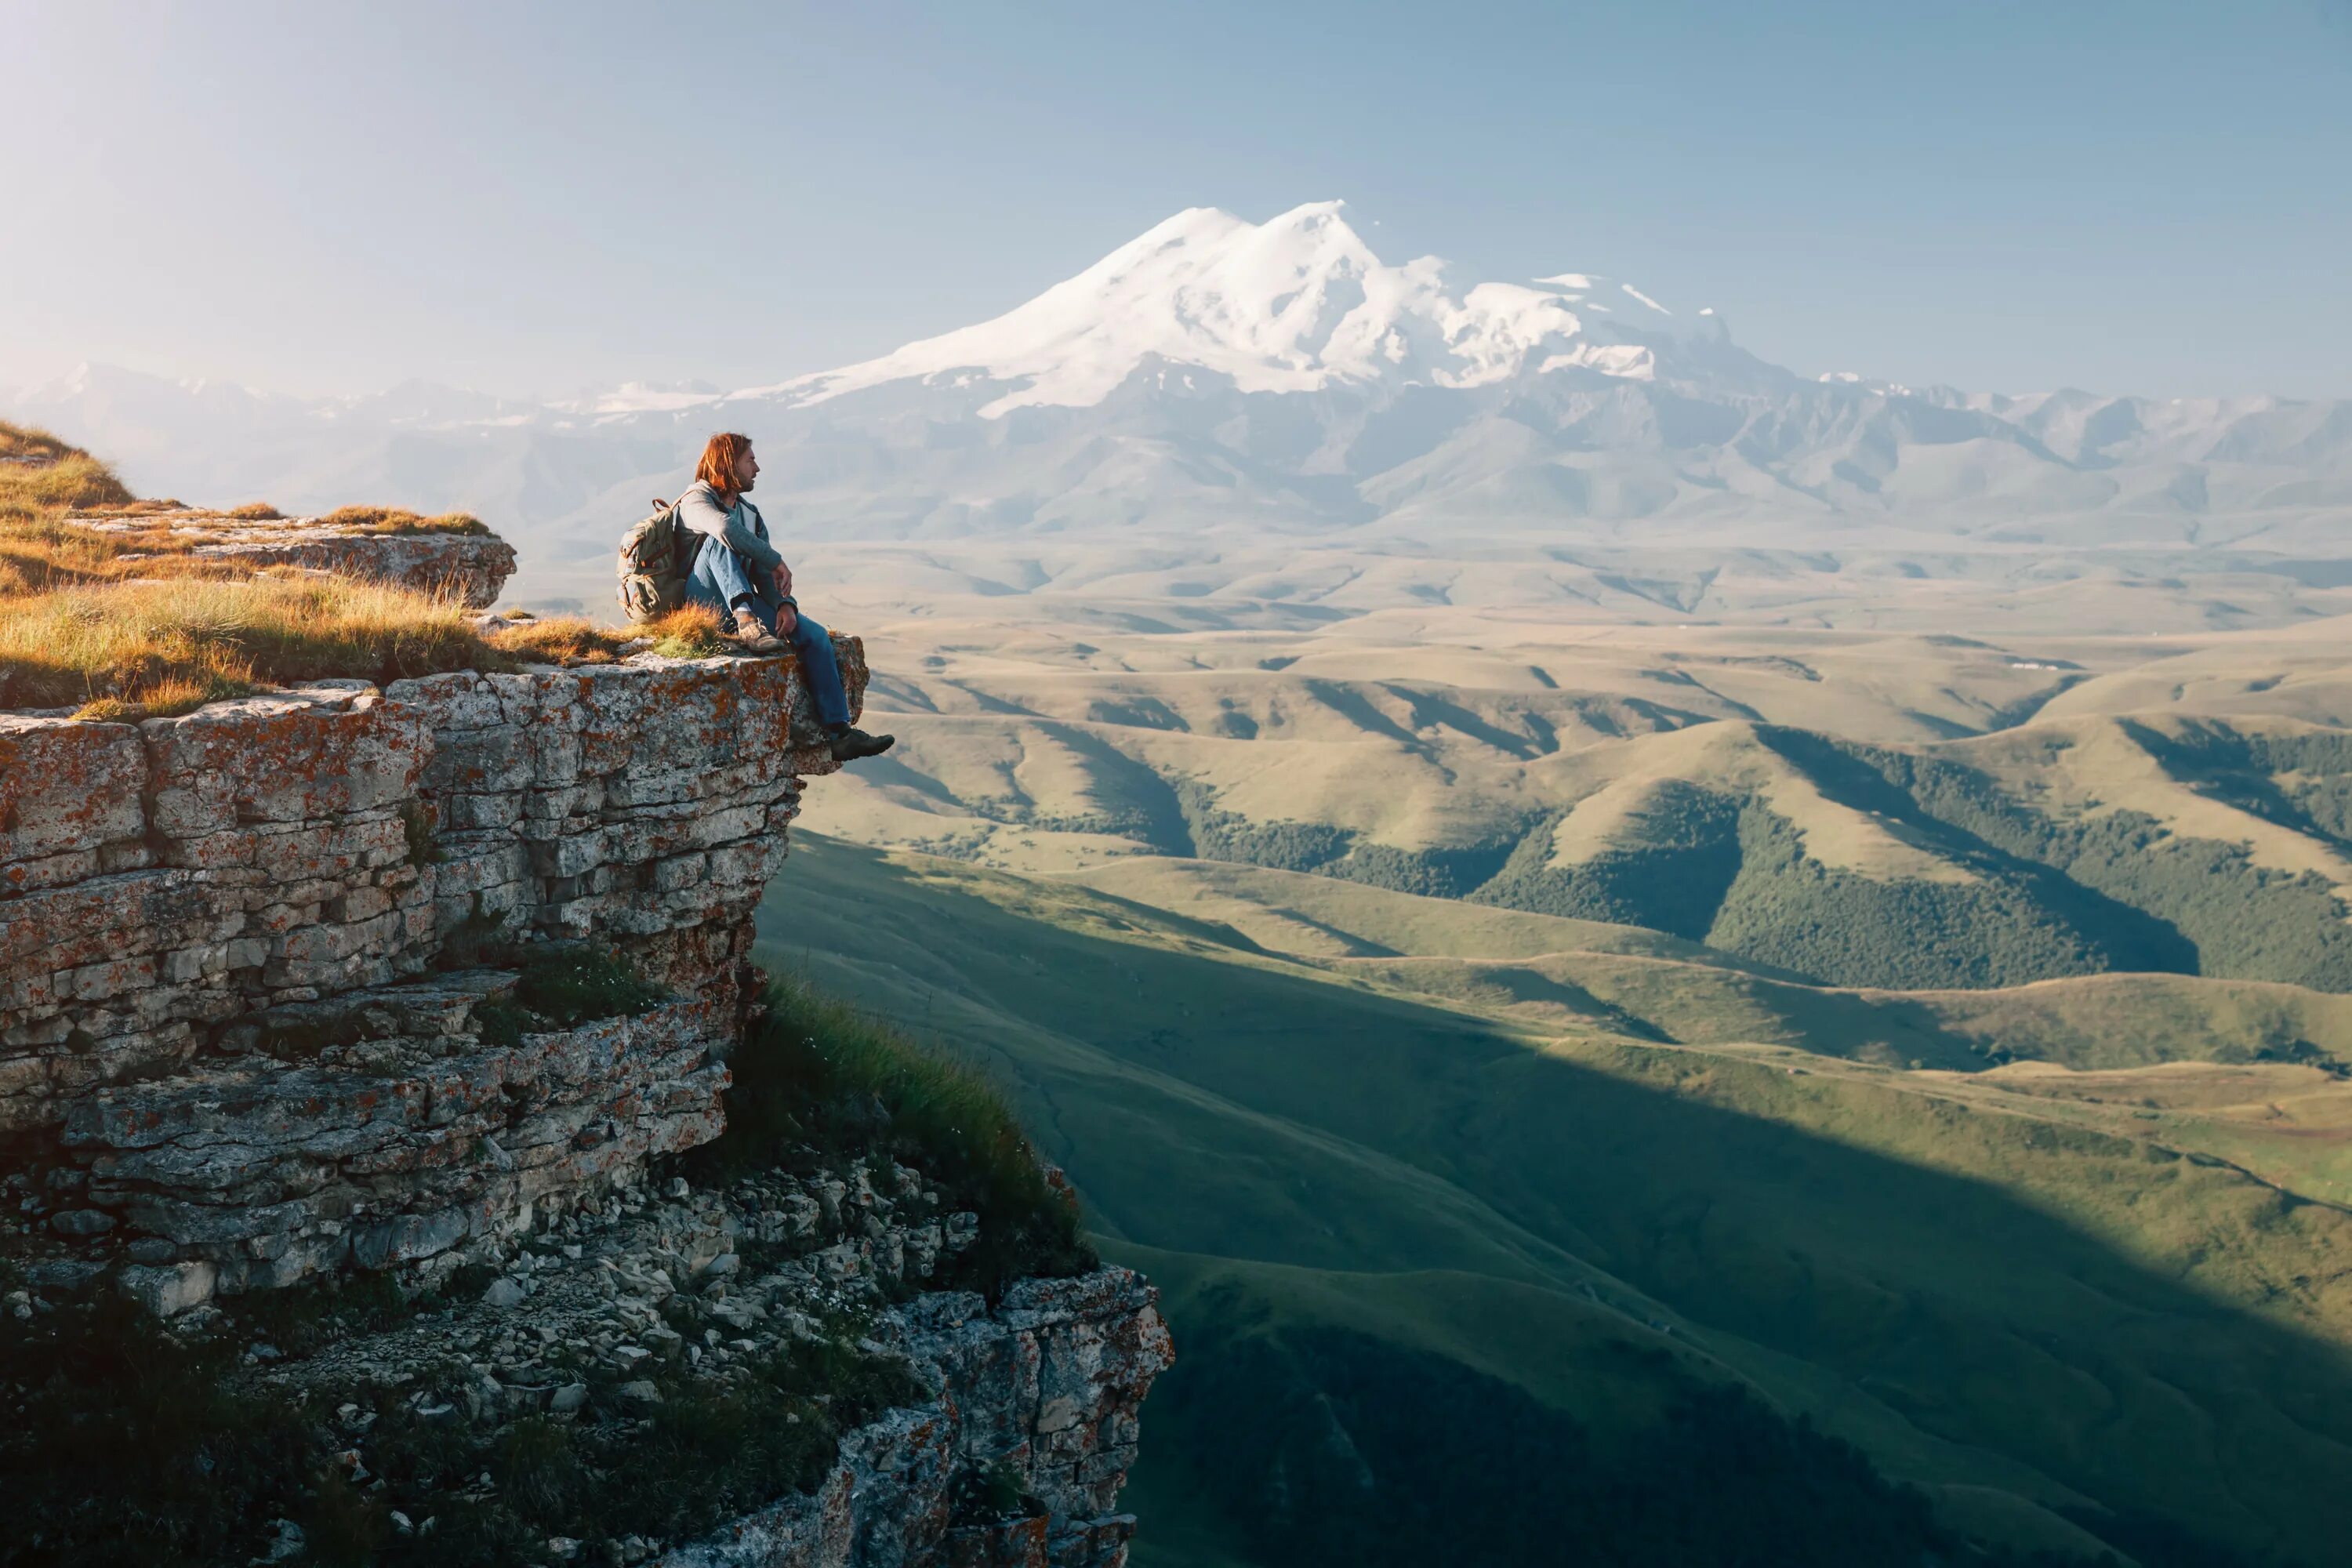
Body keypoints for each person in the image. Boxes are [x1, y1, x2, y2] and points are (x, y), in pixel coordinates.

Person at [677, 431, 894, 762]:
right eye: (750, 460)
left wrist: (783, 605)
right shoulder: (696, 499)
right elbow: (723, 530)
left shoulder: (751, 515)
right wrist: (775, 559)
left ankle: (840, 734)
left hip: (744, 599)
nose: (758, 468)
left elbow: (762, 576)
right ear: (728, 462)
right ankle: (747, 621)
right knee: (719, 540)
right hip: (704, 604)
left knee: (816, 637)